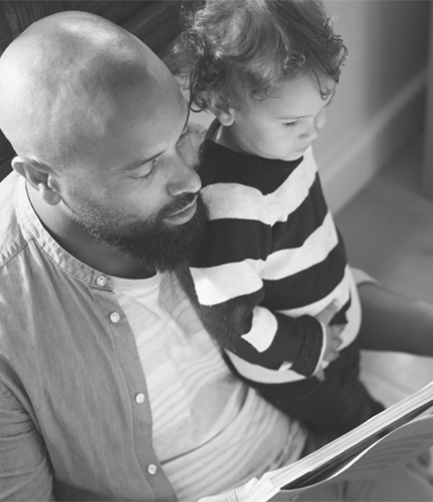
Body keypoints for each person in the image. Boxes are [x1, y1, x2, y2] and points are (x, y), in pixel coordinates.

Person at [0, 9, 433, 502]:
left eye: (182, 134)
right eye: (145, 169)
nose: (191, 180)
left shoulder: (200, 150)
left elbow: (305, 281)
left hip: (321, 446)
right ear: (43, 179)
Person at [171, 0, 382, 436]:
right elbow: (230, 320)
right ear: (224, 105)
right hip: (294, 367)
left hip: (331, 329)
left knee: (352, 382)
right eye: (293, 122)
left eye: (321, 108)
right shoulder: (232, 206)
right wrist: (309, 347)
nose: (314, 129)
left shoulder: (278, 141)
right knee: (356, 421)